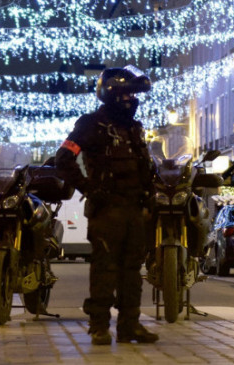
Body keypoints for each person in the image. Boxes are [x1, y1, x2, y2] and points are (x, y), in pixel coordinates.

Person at [55, 65, 159, 346]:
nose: (131, 101)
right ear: (112, 95)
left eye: (133, 96)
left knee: (131, 271)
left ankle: (129, 326)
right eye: (126, 95)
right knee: (104, 269)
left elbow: (144, 166)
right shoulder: (90, 124)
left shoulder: (135, 128)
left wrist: (150, 195)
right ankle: (99, 326)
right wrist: (89, 188)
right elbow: (63, 158)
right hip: (107, 209)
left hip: (134, 208)